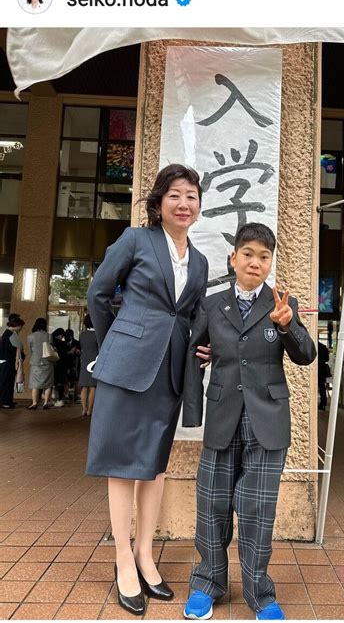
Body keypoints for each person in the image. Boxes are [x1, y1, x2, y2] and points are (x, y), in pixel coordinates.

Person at [86, 163, 209, 616]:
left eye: (192, 196)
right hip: (126, 368)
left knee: (153, 467)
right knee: (122, 464)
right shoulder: (136, 240)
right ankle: (122, 559)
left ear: (199, 206)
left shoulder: (199, 261)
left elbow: (191, 316)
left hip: (170, 372)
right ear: (158, 203)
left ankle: (144, 555)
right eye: (175, 194)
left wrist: (204, 346)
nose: (184, 203)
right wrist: (114, 342)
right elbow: (98, 293)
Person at [182, 223, 316, 621]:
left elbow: (307, 355)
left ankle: (260, 593)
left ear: (270, 262)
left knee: (258, 510)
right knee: (212, 505)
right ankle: (208, 583)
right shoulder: (212, 303)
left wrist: (287, 325)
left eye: (264, 256)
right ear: (233, 258)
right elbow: (195, 353)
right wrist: (193, 413)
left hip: (267, 420)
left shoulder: (279, 304)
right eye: (248, 254)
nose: (255, 262)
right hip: (223, 416)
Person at [26, 318, 54, 410]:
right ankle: (46, 403)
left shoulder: (30, 337)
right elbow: (51, 349)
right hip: (48, 362)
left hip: (36, 363)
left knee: (35, 384)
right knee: (48, 384)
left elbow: (31, 350)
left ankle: (34, 403)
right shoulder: (49, 336)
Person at [0, 316, 25, 409]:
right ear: (16, 325)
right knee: (7, 382)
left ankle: (7, 401)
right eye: (21, 326)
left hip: (4, 362)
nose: (21, 329)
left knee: (6, 382)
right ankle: (6, 402)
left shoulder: (6, 334)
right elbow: (17, 348)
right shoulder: (11, 335)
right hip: (8, 362)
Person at [78, 314, 98, 416]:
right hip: (94, 362)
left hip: (84, 361)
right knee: (93, 386)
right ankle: (90, 409)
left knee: (84, 387)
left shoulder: (82, 335)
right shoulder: (97, 335)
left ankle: (83, 409)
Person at [51, 328, 68, 407]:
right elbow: (64, 355)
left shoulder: (51, 342)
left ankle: (50, 399)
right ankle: (60, 399)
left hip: (52, 364)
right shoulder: (62, 344)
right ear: (60, 335)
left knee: (52, 382)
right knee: (60, 382)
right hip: (61, 365)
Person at [65, 328, 81, 402]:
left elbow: (80, 353)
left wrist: (77, 351)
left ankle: (78, 396)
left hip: (76, 364)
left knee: (76, 380)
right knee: (66, 380)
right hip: (66, 363)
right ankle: (67, 395)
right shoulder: (64, 343)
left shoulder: (77, 343)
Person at [318, 339, 330, 410]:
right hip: (322, 369)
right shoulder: (323, 347)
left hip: (316, 368)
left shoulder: (314, 346)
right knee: (322, 386)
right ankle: (323, 402)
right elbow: (327, 359)